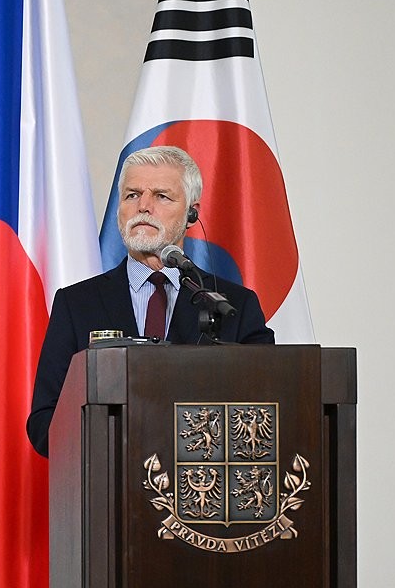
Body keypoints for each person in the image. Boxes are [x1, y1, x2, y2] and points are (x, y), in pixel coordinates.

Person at [26, 146, 275, 456]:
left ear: (191, 214)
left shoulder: (232, 306)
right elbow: (43, 425)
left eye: (161, 196)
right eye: (132, 195)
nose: (143, 206)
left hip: (203, 493)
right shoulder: (76, 305)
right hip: (109, 494)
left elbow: (264, 415)